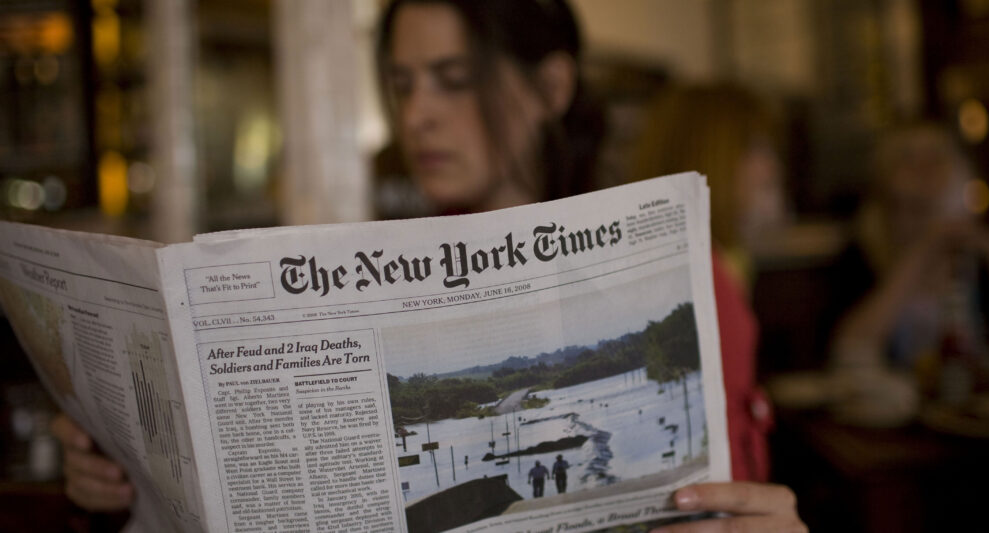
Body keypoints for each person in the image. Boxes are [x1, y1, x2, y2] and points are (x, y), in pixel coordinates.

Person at [53, 2, 805, 531]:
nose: (418, 115)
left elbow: (724, 497)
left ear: (552, 86)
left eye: (455, 78)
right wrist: (122, 480)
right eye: (404, 83)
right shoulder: (387, 263)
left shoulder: (684, 272)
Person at [632, 83, 785, 483]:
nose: (771, 167)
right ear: (708, 153)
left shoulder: (718, 260)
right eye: (756, 147)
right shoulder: (700, 272)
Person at [826, 122, 989, 422]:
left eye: (936, 156)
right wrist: (926, 247)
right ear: (884, 173)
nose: (924, 168)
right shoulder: (858, 251)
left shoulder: (979, 245)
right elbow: (848, 346)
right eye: (908, 157)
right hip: (891, 424)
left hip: (979, 415)